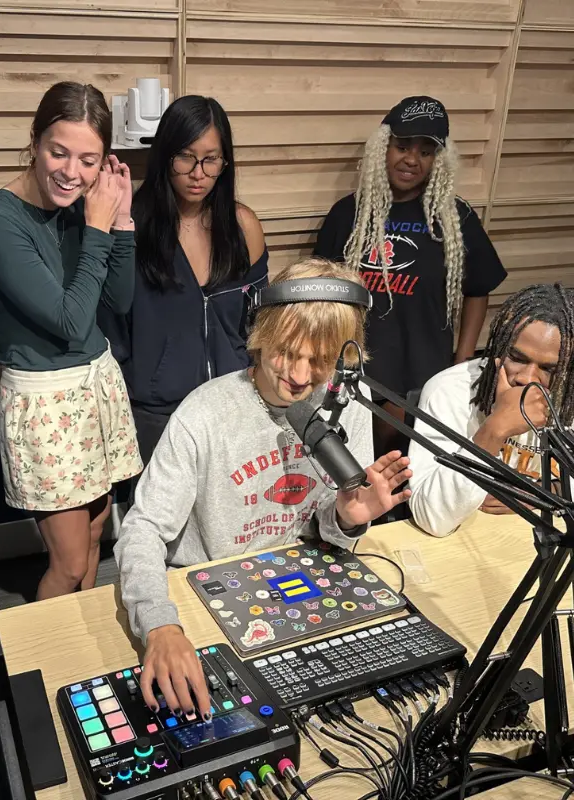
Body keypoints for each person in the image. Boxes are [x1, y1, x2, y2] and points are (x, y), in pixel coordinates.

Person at [115, 258, 412, 718]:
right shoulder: (205, 413)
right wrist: (160, 626)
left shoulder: (344, 399)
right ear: (261, 333)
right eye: (287, 352)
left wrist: (349, 519)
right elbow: (142, 530)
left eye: (320, 361)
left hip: (301, 589)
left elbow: (329, 531)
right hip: (205, 597)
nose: (298, 375)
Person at [0, 82, 142, 600]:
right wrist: (97, 227)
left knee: (94, 537)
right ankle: (43, 669)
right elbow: (68, 321)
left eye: (89, 160)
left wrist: (124, 220)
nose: (72, 172)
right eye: (58, 152)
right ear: (35, 142)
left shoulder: (82, 207)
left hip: (97, 384)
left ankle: (82, 651)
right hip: (48, 402)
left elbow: (120, 299)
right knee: (66, 563)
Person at [314, 95, 506, 457]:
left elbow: (478, 288)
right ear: (383, 149)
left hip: (422, 368)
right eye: (402, 147)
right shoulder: (347, 214)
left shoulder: (455, 219)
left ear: (439, 160)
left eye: (426, 152)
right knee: (355, 457)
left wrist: (463, 357)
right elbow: (323, 287)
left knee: (405, 460)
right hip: (358, 363)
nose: (412, 160)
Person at [100, 95, 267, 463]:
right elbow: (112, 326)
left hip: (233, 402)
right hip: (156, 414)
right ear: (165, 156)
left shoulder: (243, 226)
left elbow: (261, 325)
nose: (198, 173)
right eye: (186, 157)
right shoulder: (130, 229)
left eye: (211, 159)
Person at [409, 283, 574, 537]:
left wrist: (548, 492)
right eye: (517, 358)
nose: (528, 378)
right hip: (468, 543)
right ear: (499, 347)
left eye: (549, 370)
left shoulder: (569, 395)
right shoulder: (449, 390)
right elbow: (431, 518)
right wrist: (494, 430)